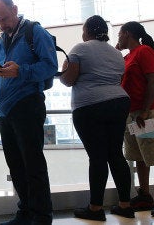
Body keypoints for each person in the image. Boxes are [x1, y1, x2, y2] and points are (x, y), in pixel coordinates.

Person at [0, 0, 57, 225]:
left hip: (27, 105)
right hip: (6, 109)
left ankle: (42, 216)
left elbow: (50, 65)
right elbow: (4, 73)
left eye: (4, 18)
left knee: (33, 164)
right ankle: (26, 212)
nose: (2, 24)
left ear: (15, 10)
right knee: (16, 165)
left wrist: (21, 71)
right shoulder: (2, 39)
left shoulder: (35, 32)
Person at [59, 15, 133, 221]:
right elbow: (117, 78)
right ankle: (125, 205)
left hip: (90, 107)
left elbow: (68, 79)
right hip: (119, 103)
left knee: (98, 157)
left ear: (88, 31)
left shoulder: (80, 49)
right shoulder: (116, 53)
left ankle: (95, 208)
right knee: (116, 154)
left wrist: (66, 65)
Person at [116, 21, 154, 217]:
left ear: (127, 34)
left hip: (147, 112)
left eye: (119, 34)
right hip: (132, 113)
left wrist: (145, 110)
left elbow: (153, 80)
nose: (118, 38)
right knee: (140, 155)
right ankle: (145, 195)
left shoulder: (144, 51)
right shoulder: (127, 56)